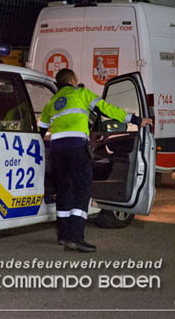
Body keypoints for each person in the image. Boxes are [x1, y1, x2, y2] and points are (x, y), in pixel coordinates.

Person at [38, 68, 152, 253]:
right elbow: (106, 109)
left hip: (57, 150)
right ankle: (76, 238)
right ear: (72, 80)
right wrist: (136, 120)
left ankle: (64, 236)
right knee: (82, 189)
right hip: (76, 147)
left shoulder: (52, 102)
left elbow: (42, 129)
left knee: (64, 189)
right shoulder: (81, 93)